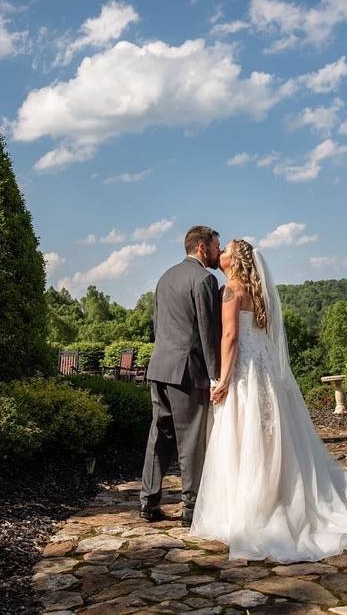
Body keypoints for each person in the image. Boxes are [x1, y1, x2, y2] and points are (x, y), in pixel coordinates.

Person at [189, 238, 347, 562]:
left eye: (226, 250)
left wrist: (224, 379)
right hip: (267, 370)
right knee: (274, 439)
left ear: (235, 260)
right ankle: (278, 498)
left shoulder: (230, 290)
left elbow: (230, 338)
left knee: (247, 437)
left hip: (245, 371)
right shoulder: (259, 292)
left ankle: (251, 510)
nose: (221, 253)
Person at [139, 225, 222, 527]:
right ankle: (191, 507)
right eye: (216, 246)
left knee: (159, 435)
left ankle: (148, 501)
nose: (218, 252)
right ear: (202, 247)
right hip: (187, 371)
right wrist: (216, 375)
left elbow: (159, 325)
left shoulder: (164, 278)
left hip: (159, 367)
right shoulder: (204, 279)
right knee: (191, 440)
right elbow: (207, 331)